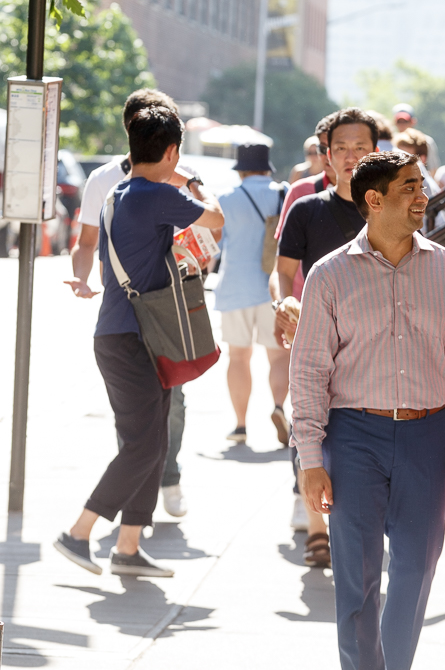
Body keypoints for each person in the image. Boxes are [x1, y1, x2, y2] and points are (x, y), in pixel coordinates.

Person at [291, 151, 445, 670]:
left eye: (422, 186)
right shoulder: (329, 275)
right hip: (353, 436)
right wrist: (310, 460)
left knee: (417, 564)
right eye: (409, 188)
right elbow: (308, 374)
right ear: (373, 199)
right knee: (355, 570)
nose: (422, 196)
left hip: (430, 434)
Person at [55, 107, 224, 578]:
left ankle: (128, 547)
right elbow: (216, 219)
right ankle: (79, 531)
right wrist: (192, 185)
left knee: (151, 440)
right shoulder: (155, 194)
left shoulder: (120, 191)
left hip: (131, 334)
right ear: (172, 151)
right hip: (131, 338)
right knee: (144, 445)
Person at [64, 88, 192, 519]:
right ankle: (86, 529)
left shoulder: (174, 175)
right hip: (128, 321)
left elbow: (203, 240)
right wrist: (80, 278)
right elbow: (86, 242)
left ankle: (135, 532)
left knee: (164, 421)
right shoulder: (107, 181)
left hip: (165, 320)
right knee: (142, 436)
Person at [274, 108, 379, 566]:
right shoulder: (305, 209)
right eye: (341, 149)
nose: (351, 156)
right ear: (326, 155)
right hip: (314, 344)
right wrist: (285, 304)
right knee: (309, 433)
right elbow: (281, 275)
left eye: (361, 148)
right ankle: (318, 533)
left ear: (377, 151)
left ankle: (352, 527)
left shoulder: (392, 209)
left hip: (374, 349)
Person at [214, 142, 290, 447]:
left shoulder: (226, 199)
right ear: (266, 167)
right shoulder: (283, 194)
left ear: (241, 169)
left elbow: (217, 246)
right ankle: (279, 407)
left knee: (238, 357)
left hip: (236, 286)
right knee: (279, 355)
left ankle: (241, 425)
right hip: (275, 286)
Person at [392, 128, 440, 199]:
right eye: (396, 157)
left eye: (406, 159)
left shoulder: (427, 188)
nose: (399, 163)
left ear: (422, 159)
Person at [391, 103, 440, 172]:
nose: (402, 125)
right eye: (399, 121)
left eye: (405, 121)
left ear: (413, 122)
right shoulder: (391, 141)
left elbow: (433, 169)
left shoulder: (426, 141)